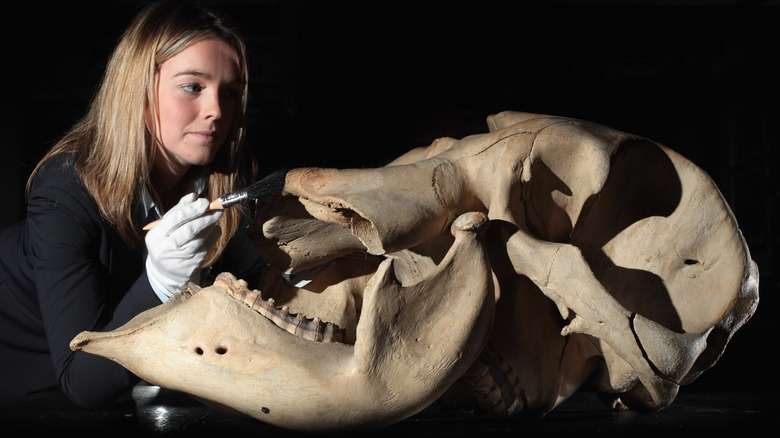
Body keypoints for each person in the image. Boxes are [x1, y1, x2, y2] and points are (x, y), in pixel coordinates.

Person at [0, 1, 266, 407]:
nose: (216, 111)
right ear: (138, 90)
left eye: (229, 93)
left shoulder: (223, 185)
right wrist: (161, 283)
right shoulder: (66, 189)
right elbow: (84, 382)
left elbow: (262, 285)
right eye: (193, 86)